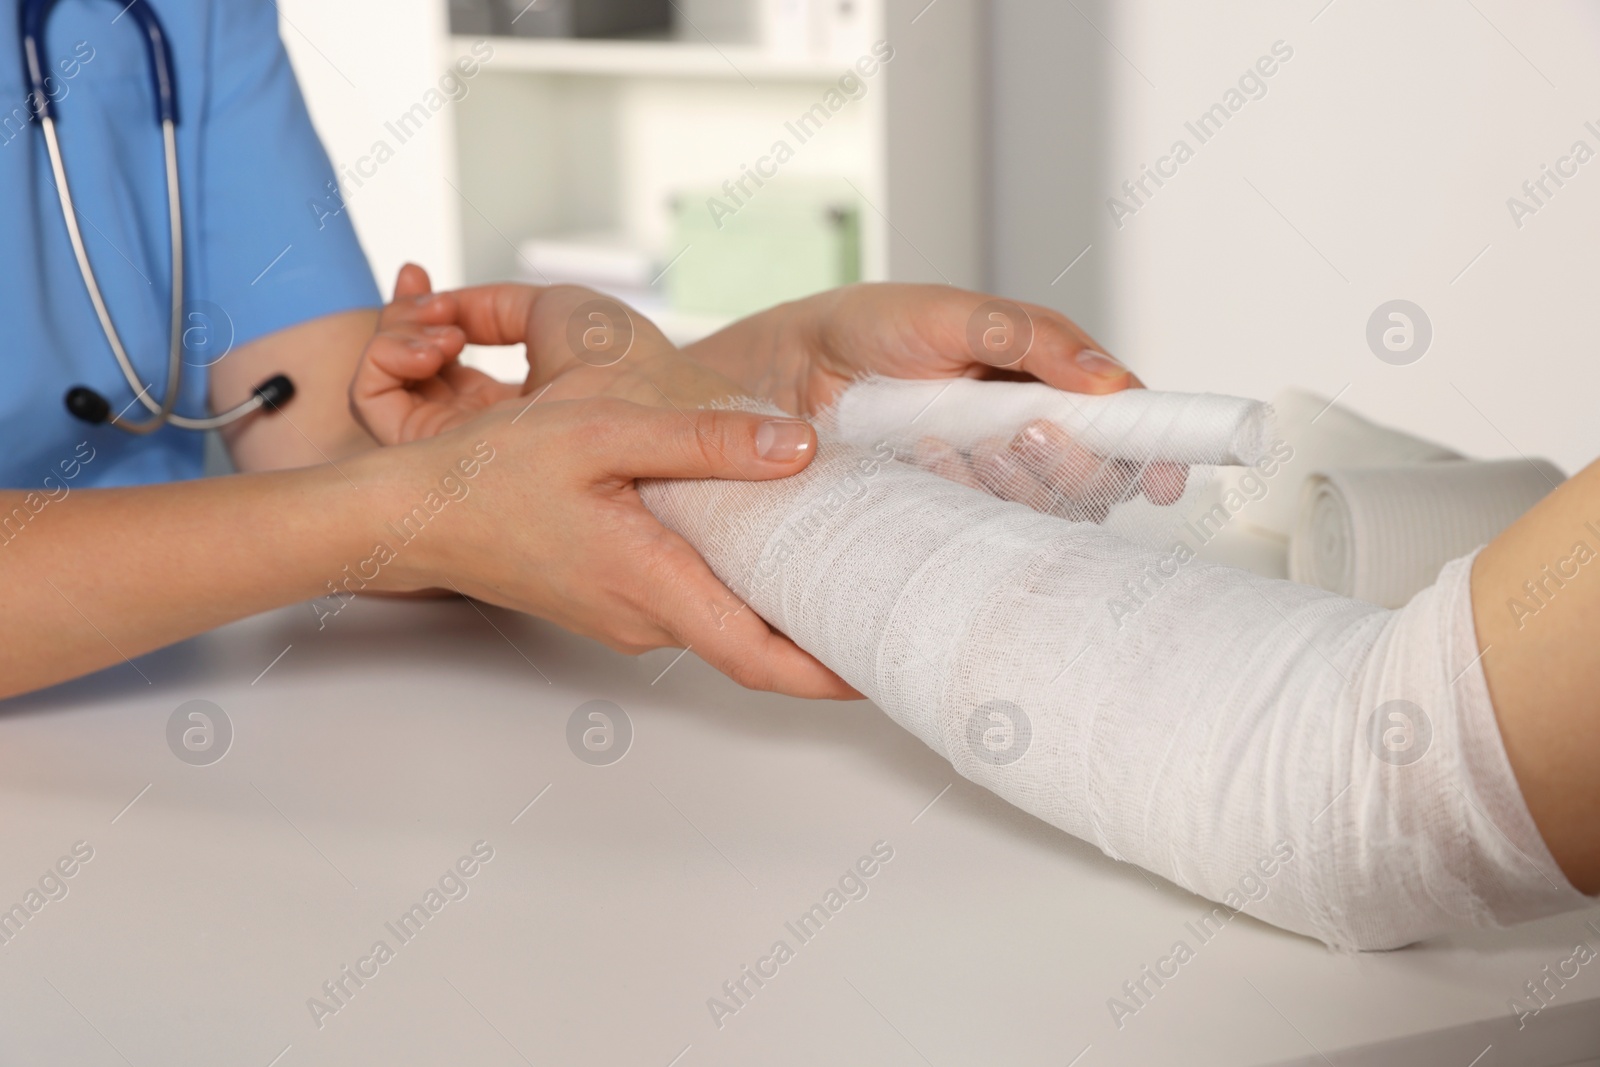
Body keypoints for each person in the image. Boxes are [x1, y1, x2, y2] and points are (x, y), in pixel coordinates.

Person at [0, 0, 1135, 700]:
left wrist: (753, 383)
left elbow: (317, 434)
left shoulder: (176, 12)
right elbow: (380, 503)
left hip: (201, 690)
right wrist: (429, 501)